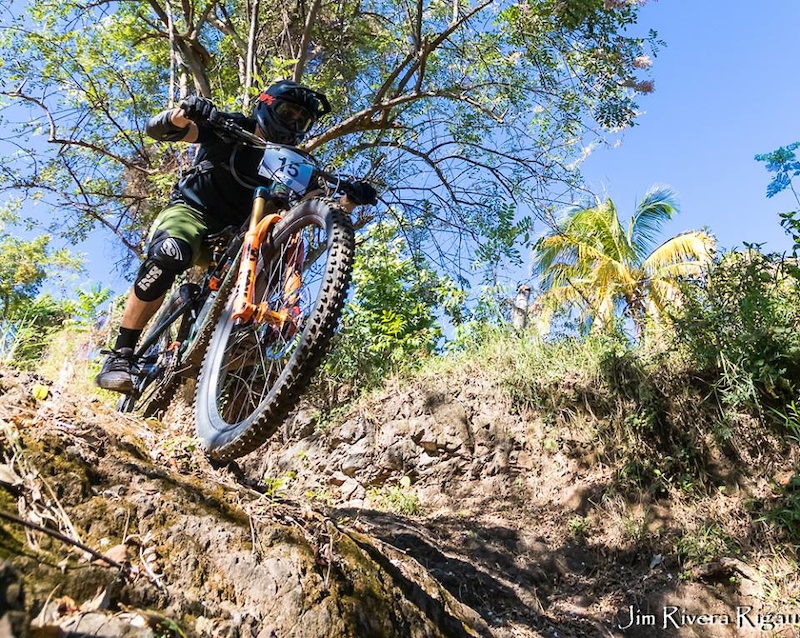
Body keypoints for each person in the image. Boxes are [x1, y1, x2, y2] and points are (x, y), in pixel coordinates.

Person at [96, 79, 377, 393]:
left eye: (303, 120)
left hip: (237, 241)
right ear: (267, 106)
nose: (295, 123)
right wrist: (184, 113)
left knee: (270, 259)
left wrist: (349, 200)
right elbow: (159, 130)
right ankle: (120, 355)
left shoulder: (295, 163)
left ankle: (237, 335)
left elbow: (317, 207)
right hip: (192, 212)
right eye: (288, 112)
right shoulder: (227, 126)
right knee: (169, 254)